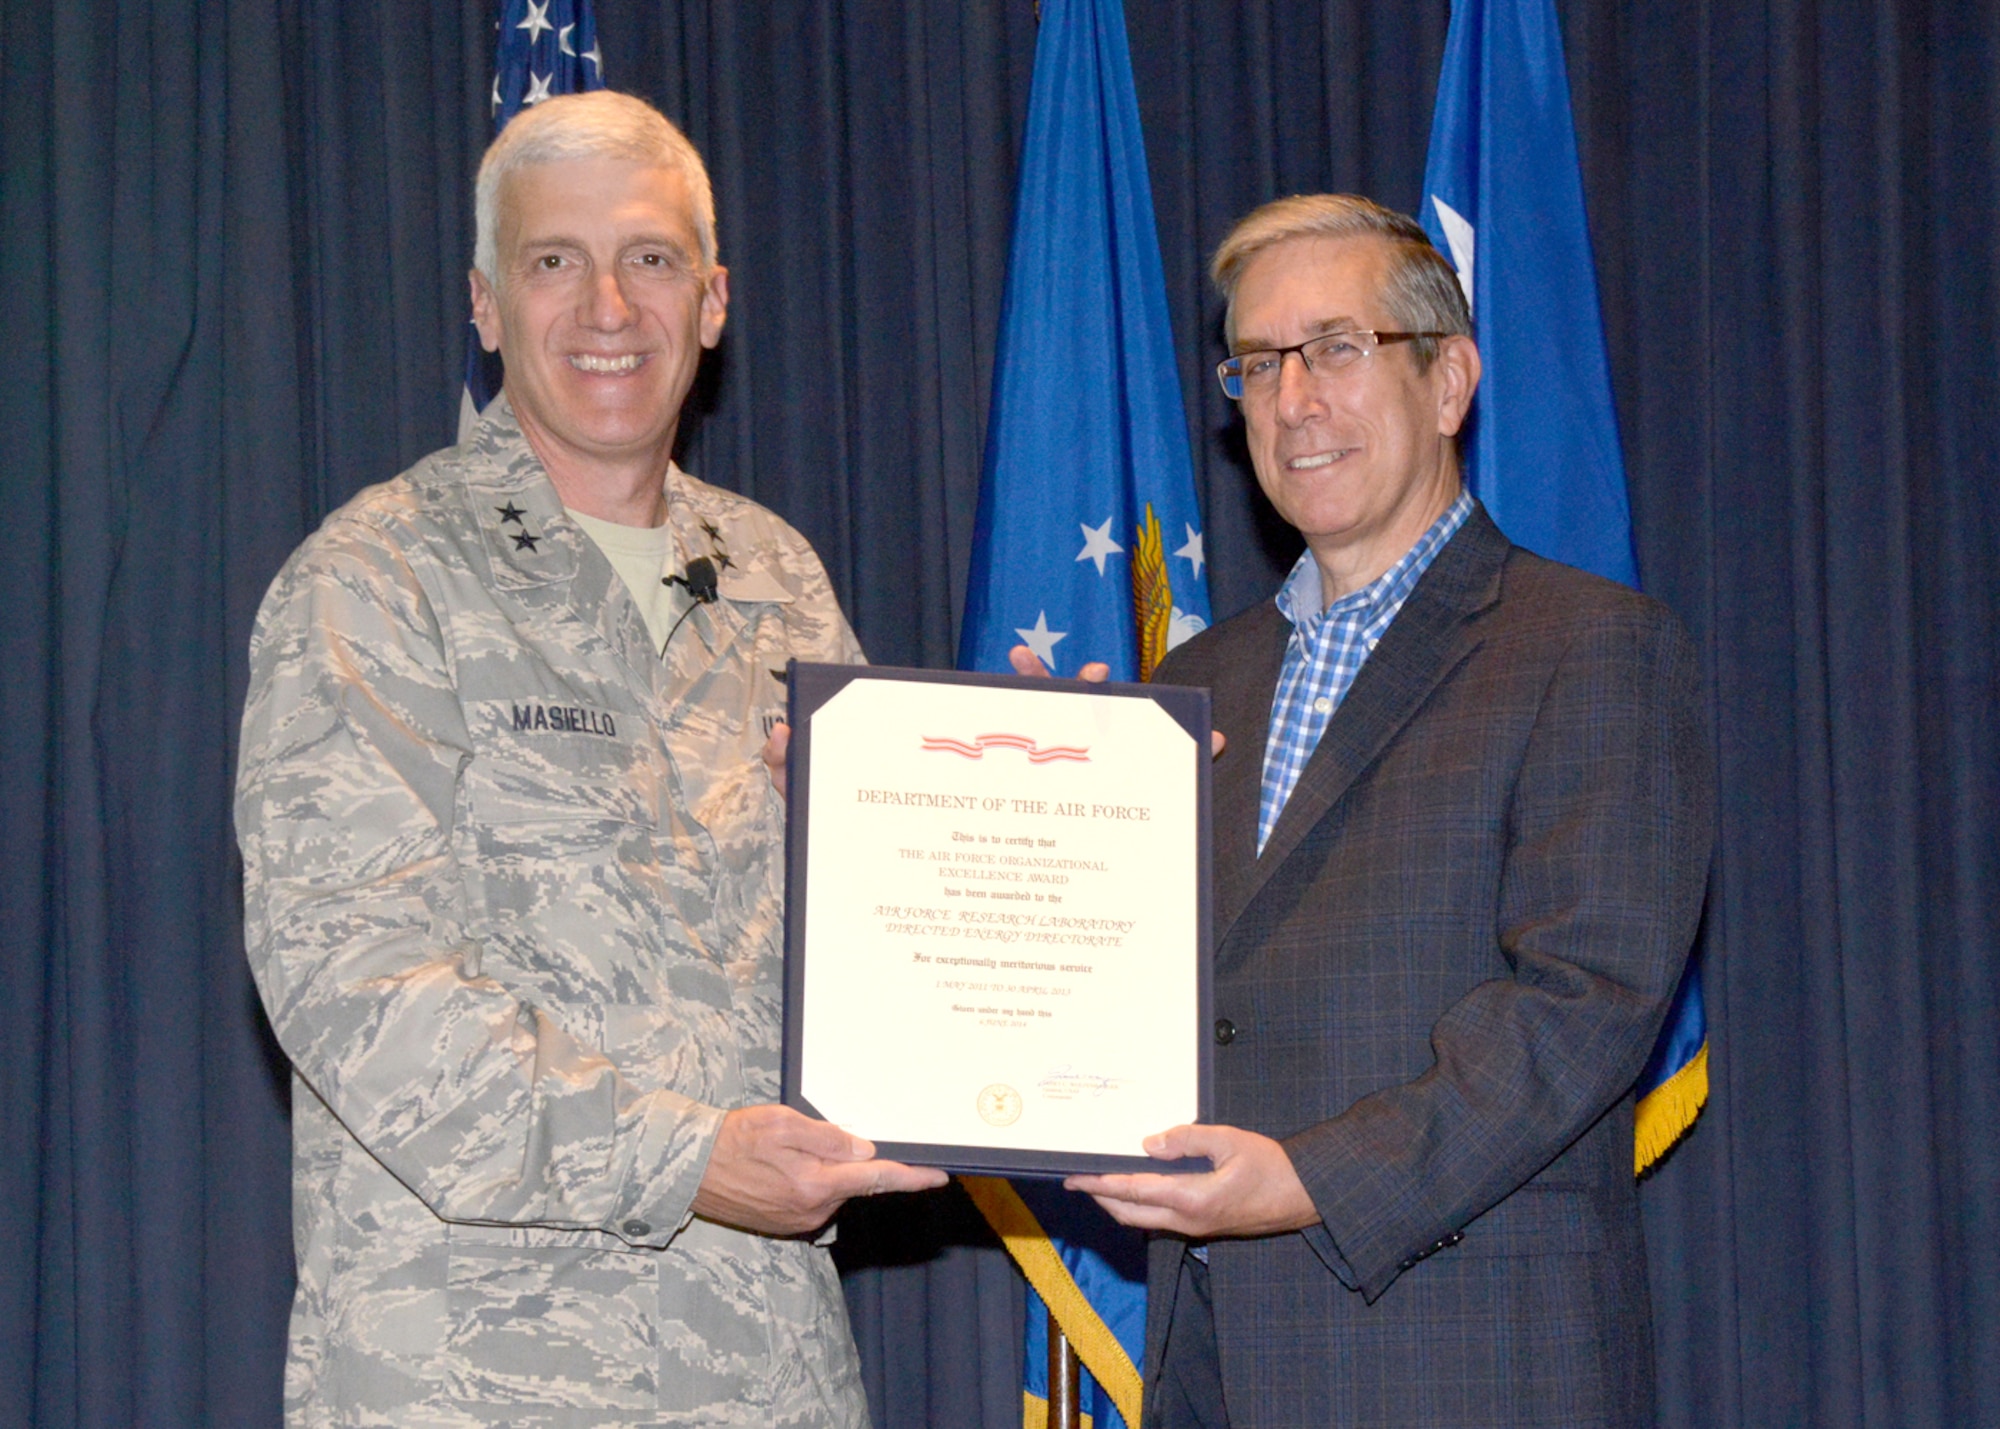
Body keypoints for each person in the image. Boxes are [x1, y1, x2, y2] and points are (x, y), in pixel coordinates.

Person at [234, 91, 945, 1428]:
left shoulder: (777, 577)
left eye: (653, 258)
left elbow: (873, 950)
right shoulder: (377, 580)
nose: (609, 305)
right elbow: (355, 987)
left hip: (758, 1365)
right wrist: (686, 1160)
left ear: (715, 300)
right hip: (474, 1371)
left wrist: (1009, 806)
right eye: (555, 261)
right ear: (486, 305)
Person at [1066, 195, 1713, 1428]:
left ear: (1449, 379)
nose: (1292, 398)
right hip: (1211, 1364)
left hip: (1465, 1361)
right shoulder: (1192, 687)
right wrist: (1041, 795)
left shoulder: (1589, 648)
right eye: (1256, 363)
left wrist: (1306, 1180)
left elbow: (1584, 1009)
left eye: (1336, 348)